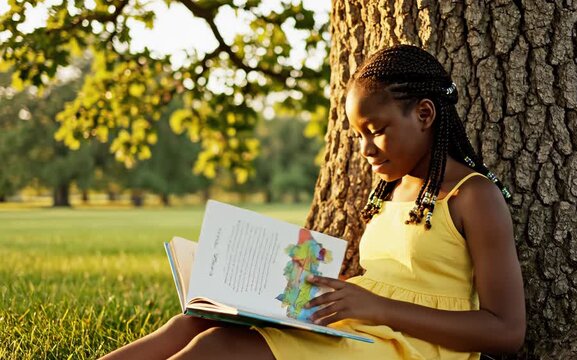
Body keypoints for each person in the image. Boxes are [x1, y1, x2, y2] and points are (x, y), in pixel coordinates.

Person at [101, 44, 526, 360]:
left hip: (413, 348)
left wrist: (376, 306)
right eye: (357, 135)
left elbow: (506, 331)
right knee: (195, 323)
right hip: (364, 326)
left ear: (425, 114)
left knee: (217, 349)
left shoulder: (474, 196)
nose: (365, 150)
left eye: (376, 130)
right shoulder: (395, 188)